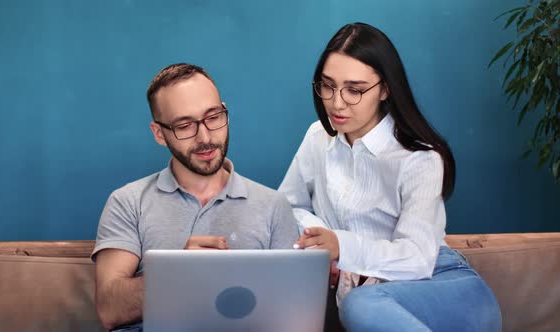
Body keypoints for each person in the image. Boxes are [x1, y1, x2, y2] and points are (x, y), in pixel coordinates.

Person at [279, 23, 502, 331]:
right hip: (370, 299)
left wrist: (341, 247)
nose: (336, 102)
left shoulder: (420, 158)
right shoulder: (319, 137)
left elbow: (417, 259)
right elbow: (287, 207)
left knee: (360, 305)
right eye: (328, 85)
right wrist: (320, 241)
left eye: (354, 90)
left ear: (385, 88)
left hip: (443, 284)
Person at [93, 63, 299, 332]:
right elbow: (110, 310)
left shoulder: (273, 206)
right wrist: (179, 276)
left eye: (213, 117)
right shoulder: (127, 202)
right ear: (159, 134)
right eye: (184, 125)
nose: (205, 137)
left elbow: (295, 315)